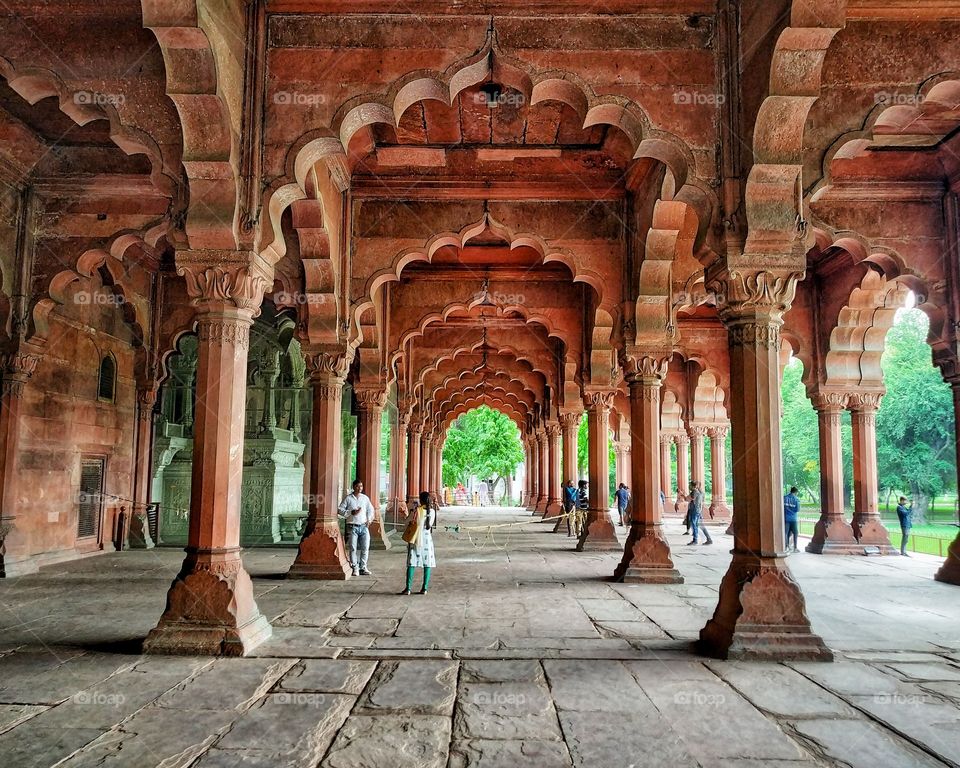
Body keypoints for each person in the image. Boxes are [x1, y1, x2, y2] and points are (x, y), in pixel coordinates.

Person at [400, 491, 437, 594]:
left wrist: (407, 514)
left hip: (416, 539)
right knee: (427, 563)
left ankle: (408, 588)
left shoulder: (416, 511)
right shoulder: (432, 512)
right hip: (426, 540)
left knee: (411, 562)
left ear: (421, 500)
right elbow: (429, 525)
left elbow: (406, 522)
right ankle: (424, 588)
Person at [338, 479, 375, 576]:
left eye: (361, 486)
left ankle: (363, 566)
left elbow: (371, 509)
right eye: (358, 486)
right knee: (353, 548)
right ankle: (355, 567)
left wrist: (369, 519)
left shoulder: (365, 498)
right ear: (353, 487)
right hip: (352, 526)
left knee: (365, 547)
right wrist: (351, 512)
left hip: (364, 526)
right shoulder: (348, 498)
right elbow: (340, 509)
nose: (360, 488)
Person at [686, 481, 712, 545]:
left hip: (695, 510)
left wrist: (684, 495)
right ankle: (709, 539)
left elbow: (688, 499)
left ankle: (695, 540)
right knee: (700, 525)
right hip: (698, 510)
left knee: (694, 524)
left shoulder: (695, 492)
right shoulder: (701, 493)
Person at [783, 486, 801, 553]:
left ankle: (786, 547)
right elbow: (798, 509)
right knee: (795, 533)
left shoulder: (784, 498)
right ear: (796, 492)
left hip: (786, 518)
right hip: (793, 519)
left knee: (786, 533)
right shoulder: (796, 499)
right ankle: (795, 548)